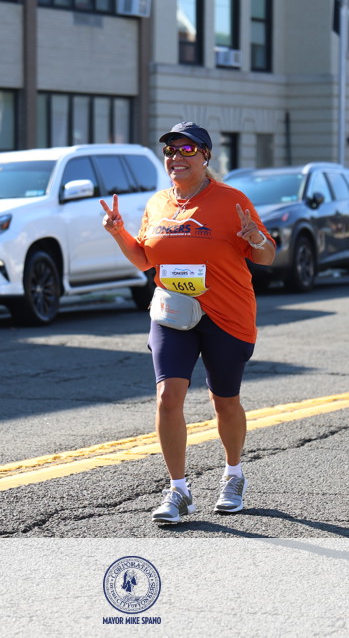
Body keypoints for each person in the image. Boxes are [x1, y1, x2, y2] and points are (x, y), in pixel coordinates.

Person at [100, 121, 275, 525]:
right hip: (174, 312)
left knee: (224, 400)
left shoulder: (232, 200)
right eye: (170, 151)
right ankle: (178, 490)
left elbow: (266, 256)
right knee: (168, 397)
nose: (176, 157)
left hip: (226, 313)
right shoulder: (158, 203)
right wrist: (118, 232)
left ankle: (233, 475)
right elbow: (145, 260)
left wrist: (256, 238)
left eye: (187, 150)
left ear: (205, 156)